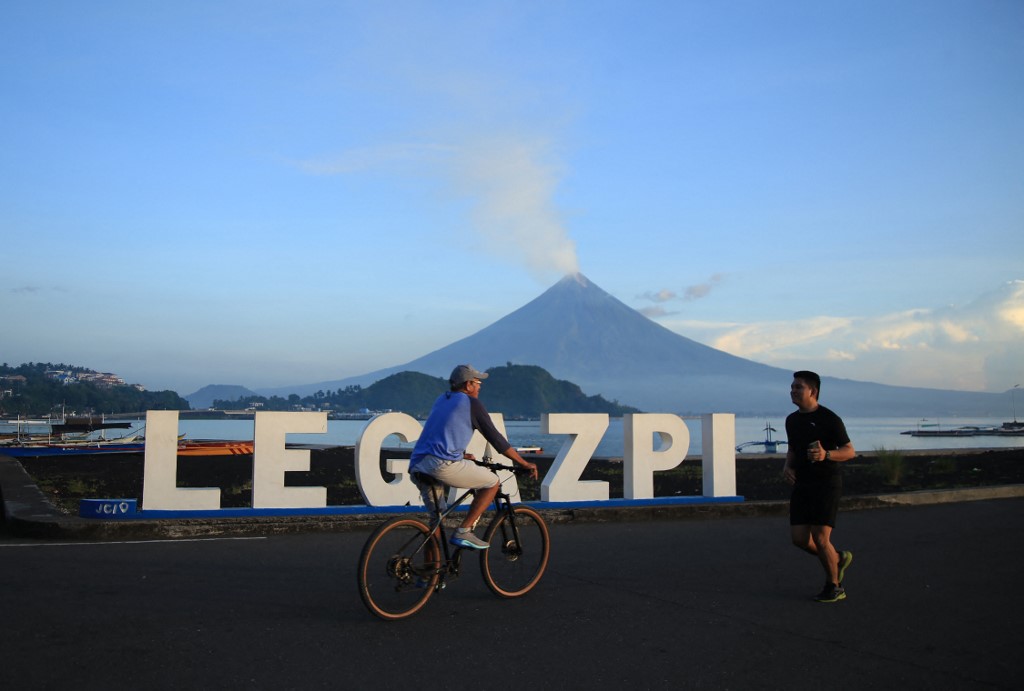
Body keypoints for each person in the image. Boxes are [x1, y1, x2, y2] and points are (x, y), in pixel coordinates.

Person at [408, 364, 539, 550]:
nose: (479, 387)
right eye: (477, 382)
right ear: (468, 385)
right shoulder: (471, 403)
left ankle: (430, 576)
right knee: (492, 483)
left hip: (418, 464)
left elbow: (441, 432)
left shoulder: (442, 399)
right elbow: (497, 440)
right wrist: (523, 463)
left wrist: (461, 454)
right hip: (441, 464)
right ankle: (464, 530)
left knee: (436, 521)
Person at [783, 370, 856, 602]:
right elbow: (793, 449)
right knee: (800, 539)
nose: (793, 391)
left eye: (798, 387)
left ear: (812, 392)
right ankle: (838, 558)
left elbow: (849, 451)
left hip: (826, 483)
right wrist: (788, 466)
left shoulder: (830, 419)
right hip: (803, 483)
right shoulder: (791, 420)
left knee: (821, 537)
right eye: (792, 387)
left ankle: (834, 587)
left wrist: (826, 454)